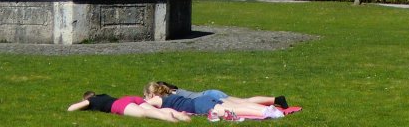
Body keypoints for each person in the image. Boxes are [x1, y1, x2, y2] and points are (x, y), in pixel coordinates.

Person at [142, 82, 285, 120]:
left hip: (199, 104)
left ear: (151, 94)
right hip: (204, 98)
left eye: (145, 95)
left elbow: (143, 105)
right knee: (238, 104)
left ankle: (266, 111)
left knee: (233, 110)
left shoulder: (157, 100)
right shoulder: (172, 93)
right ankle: (267, 109)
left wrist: (143, 100)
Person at [68, 91, 191, 122]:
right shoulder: (103, 96)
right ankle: (179, 114)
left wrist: (85, 103)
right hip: (129, 98)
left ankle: (167, 118)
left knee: (142, 113)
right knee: (152, 109)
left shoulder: (91, 101)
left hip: (119, 105)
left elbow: (71, 109)